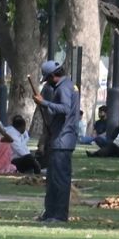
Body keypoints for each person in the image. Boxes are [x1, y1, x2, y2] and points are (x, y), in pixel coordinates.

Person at [32, 60, 80, 223]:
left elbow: (65, 109)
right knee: (52, 180)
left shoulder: (65, 87)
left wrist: (44, 102)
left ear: (53, 76)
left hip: (63, 140)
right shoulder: (65, 86)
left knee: (60, 180)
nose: (47, 83)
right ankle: (50, 213)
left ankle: (59, 215)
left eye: (47, 79)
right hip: (57, 138)